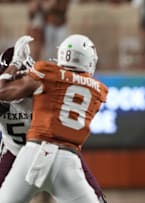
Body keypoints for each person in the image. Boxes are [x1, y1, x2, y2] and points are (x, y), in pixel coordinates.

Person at [0, 34, 108, 202]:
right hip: (17, 150)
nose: (16, 81)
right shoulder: (48, 78)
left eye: (20, 76)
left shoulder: (44, 79)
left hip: (46, 148)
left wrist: (15, 66)